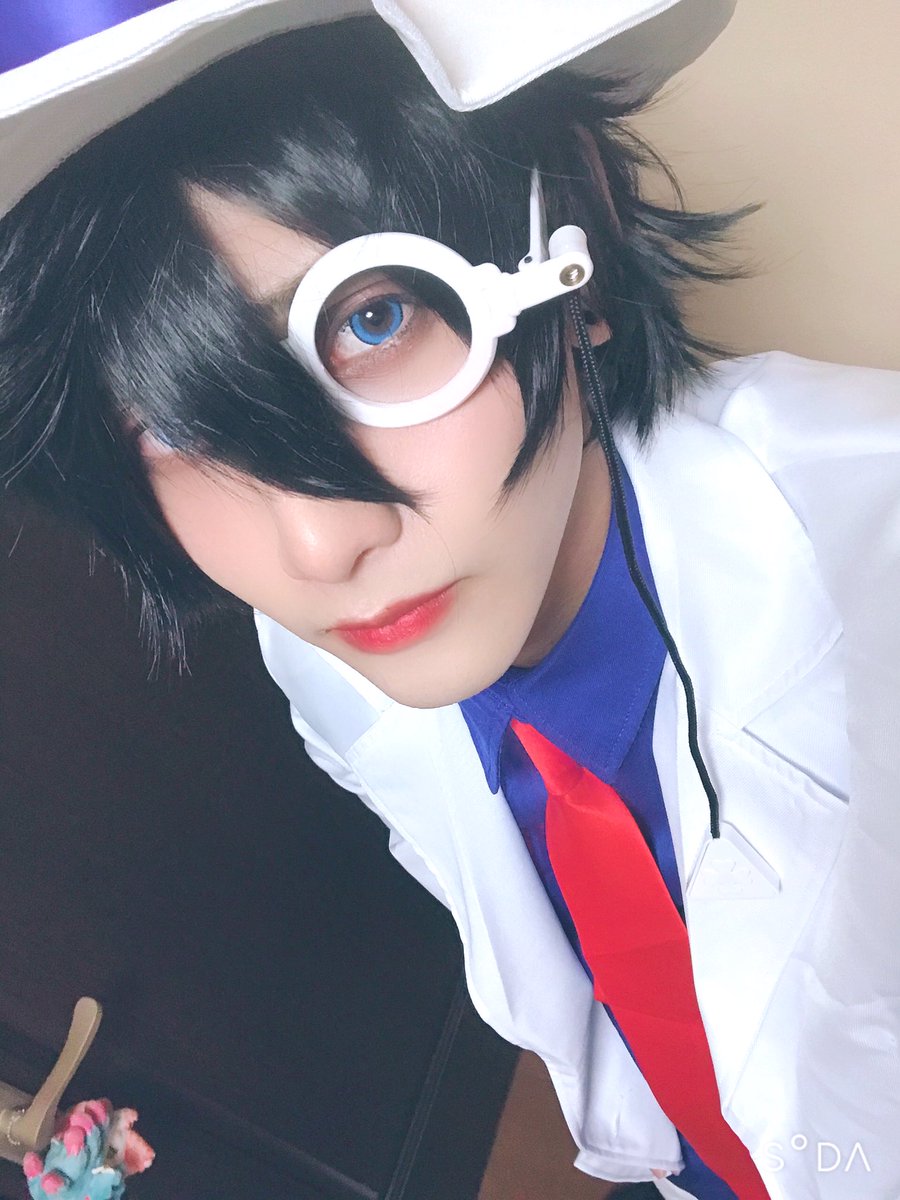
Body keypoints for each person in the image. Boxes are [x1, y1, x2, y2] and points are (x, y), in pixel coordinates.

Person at [1, 3, 898, 1198]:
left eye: (373, 320)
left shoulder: (870, 536)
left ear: (576, 227)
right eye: (167, 428)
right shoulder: (325, 664)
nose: (318, 543)